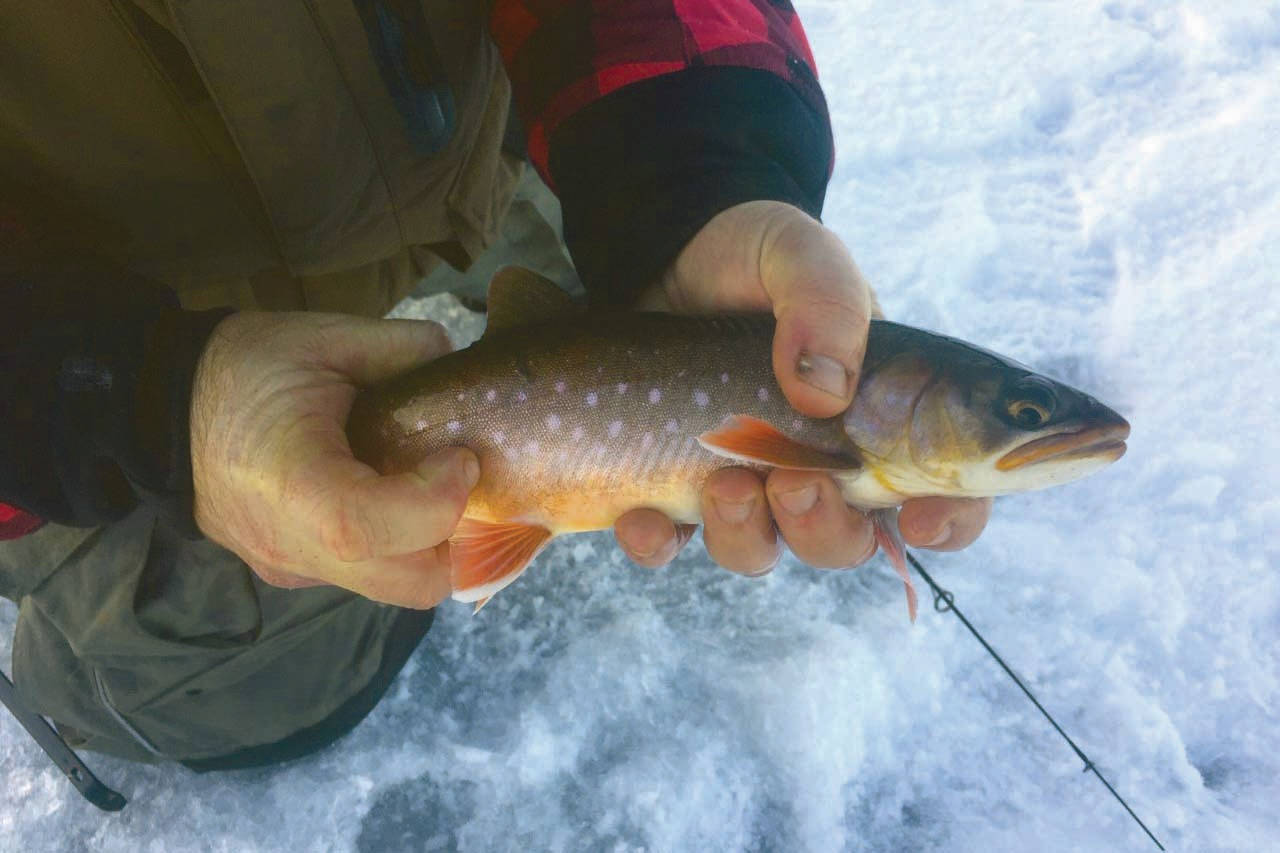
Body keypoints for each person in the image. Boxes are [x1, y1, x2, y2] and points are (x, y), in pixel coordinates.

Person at [0, 0, 991, 767]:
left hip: (468, 199)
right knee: (228, 685)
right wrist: (135, 403)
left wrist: (694, 172)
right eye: (1013, 414)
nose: (1016, 426)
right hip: (89, 339)